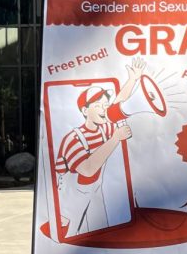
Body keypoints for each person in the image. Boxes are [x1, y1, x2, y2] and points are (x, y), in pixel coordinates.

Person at [55, 59, 146, 236]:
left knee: (99, 233)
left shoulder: (105, 128)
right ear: (84, 110)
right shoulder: (73, 139)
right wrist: (115, 139)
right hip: (70, 198)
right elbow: (87, 169)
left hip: (95, 189)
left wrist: (132, 80)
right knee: (68, 234)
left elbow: (118, 104)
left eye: (105, 105)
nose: (104, 109)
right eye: (97, 105)